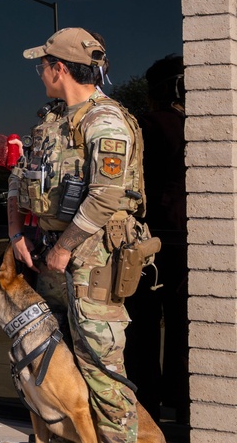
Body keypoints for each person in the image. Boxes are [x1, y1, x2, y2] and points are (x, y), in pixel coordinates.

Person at [7, 28, 146, 443]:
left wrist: (65, 248)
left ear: (60, 68)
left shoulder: (106, 121)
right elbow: (19, 177)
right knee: (52, 358)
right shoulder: (51, 119)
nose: (40, 73)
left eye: (42, 66)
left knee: (101, 369)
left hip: (95, 263)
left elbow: (107, 196)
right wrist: (17, 233)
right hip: (52, 259)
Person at [124, 54, 188, 424]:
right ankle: (183, 404)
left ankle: (145, 407)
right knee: (183, 327)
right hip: (184, 239)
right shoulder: (192, 127)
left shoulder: (143, 127)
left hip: (147, 240)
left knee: (143, 329)